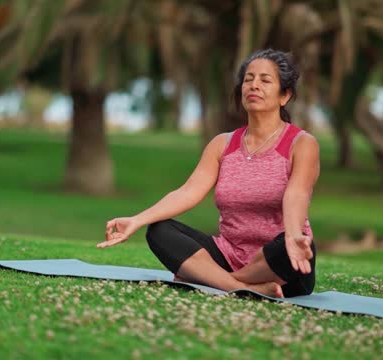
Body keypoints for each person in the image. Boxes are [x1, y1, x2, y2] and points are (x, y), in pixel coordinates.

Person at [97, 49, 320, 298]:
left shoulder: (301, 143)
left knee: (295, 244)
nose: (254, 85)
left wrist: (292, 235)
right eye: (248, 79)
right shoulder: (222, 144)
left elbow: (297, 194)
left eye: (265, 80)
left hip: (281, 263)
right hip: (228, 255)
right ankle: (242, 287)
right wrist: (138, 220)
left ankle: (216, 279)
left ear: (285, 95)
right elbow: (189, 191)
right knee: (159, 230)